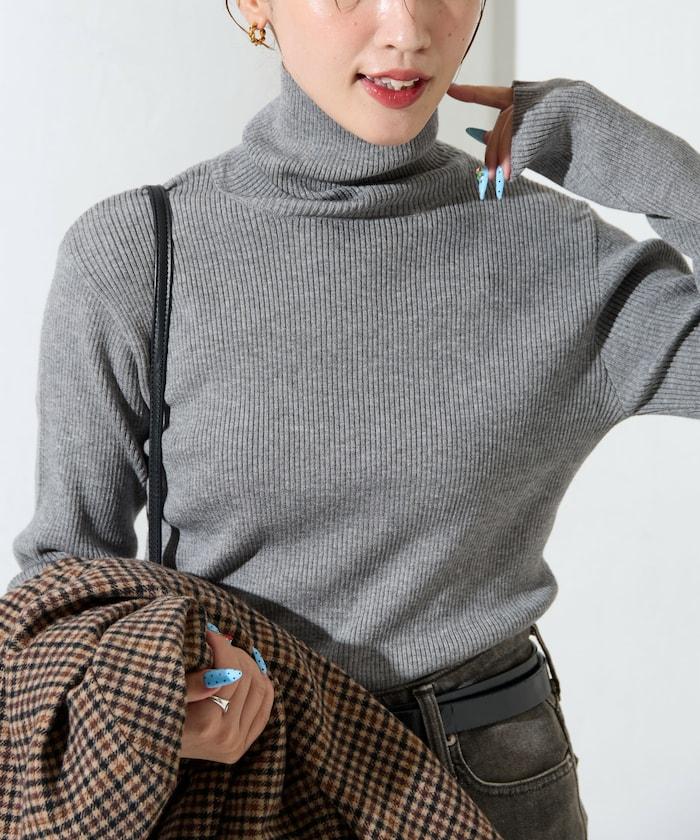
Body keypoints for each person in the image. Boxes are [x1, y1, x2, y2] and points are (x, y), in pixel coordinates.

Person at [8, 0, 699, 837]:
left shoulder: (558, 252)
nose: (406, 29)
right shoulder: (142, 251)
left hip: (487, 769)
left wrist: (651, 166)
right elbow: (64, 576)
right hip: (242, 767)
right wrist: (157, 710)